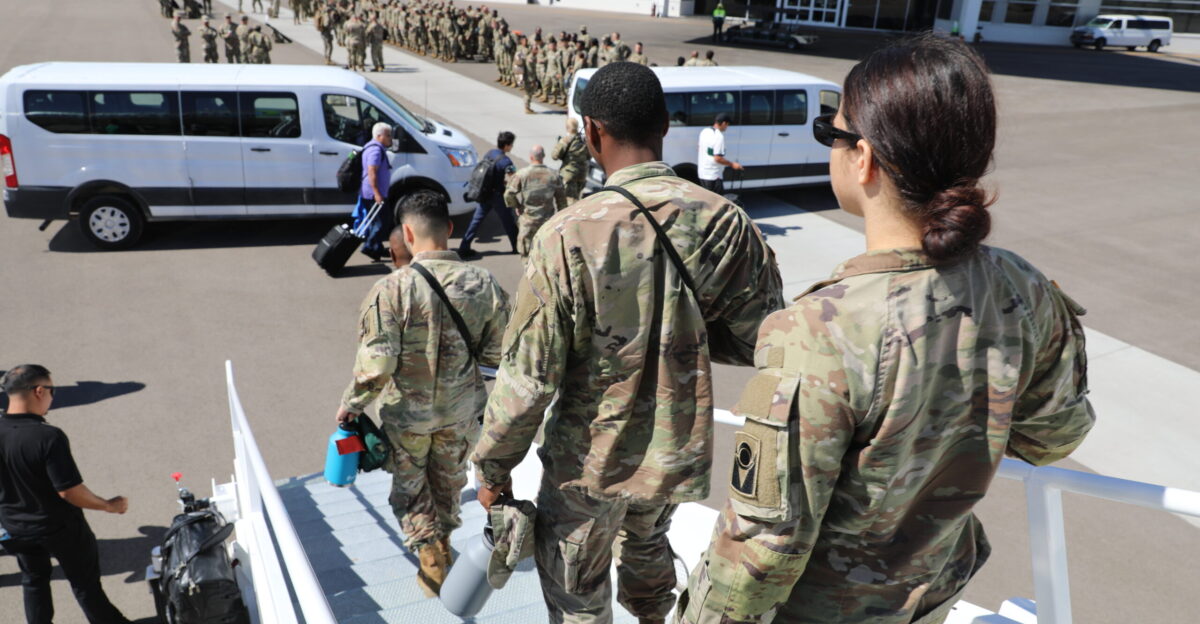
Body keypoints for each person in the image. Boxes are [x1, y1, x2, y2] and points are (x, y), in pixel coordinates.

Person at [676, 34, 1096, 624]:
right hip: (930, 595)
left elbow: (760, 552)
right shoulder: (1022, 288)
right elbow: (1054, 438)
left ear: (864, 157)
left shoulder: (817, 332)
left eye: (829, 133)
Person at [472, 62, 783, 624]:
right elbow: (758, 341)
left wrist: (493, 471)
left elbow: (529, 379)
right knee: (648, 546)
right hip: (672, 454)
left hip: (588, 464)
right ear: (665, 125)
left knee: (577, 593)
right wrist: (679, 326)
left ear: (592, 132)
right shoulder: (727, 223)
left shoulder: (566, 234)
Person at [336, 192, 510, 597]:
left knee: (411, 488)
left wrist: (350, 405)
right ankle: (444, 546)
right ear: (449, 228)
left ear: (407, 233)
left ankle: (430, 560)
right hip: (461, 413)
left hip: (407, 419)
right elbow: (495, 356)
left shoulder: (391, 289)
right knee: (448, 485)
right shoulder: (485, 284)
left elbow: (377, 366)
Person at [0, 365, 133, 624]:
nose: (53, 397)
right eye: (53, 391)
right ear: (39, 391)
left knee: (34, 580)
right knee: (85, 584)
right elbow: (69, 491)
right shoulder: (48, 437)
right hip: (59, 528)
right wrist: (109, 505)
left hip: (15, 528)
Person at [458, 131, 518, 258]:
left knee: (476, 221)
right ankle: (517, 247)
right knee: (509, 221)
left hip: (484, 194)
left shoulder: (490, 153)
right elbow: (514, 178)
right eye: (511, 144)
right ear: (507, 145)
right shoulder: (505, 161)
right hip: (498, 196)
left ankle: (464, 247)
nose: (512, 147)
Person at [504, 144, 567, 259]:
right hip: (546, 223)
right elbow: (562, 200)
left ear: (531, 157)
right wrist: (560, 219)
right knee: (546, 256)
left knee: (527, 257)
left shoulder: (522, 174)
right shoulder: (553, 175)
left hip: (528, 222)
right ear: (543, 156)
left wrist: (517, 206)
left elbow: (508, 194)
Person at [696, 112, 742, 194]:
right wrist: (732, 164)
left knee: (706, 199)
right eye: (727, 125)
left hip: (702, 174)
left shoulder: (704, 131)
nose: (727, 127)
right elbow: (718, 158)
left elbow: (699, 148)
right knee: (717, 201)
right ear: (724, 123)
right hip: (713, 176)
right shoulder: (719, 136)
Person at [551, 117, 589, 202]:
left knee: (570, 200)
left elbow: (554, 156)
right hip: (582, 174)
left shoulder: (566, 140)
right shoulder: (583, 140)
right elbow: (589, 156)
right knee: (578, 197)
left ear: (567, 127)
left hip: (569, 173)